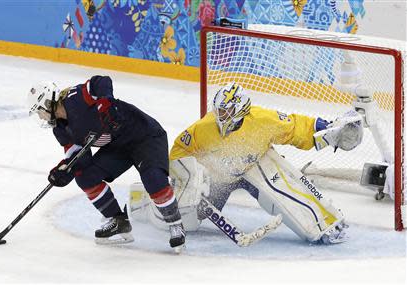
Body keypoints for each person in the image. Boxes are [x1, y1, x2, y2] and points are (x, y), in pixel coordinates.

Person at [130, 82, 363, 245]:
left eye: (227, 110)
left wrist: (326, 128)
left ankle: (326, 224)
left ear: (241, 108)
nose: (221, 115)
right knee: (189, 220)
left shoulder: (262, 120)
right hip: (217, 178)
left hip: (254, 166)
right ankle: (142, 201)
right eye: (219, 110)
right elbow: (179, 152)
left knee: (286, 193)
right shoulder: (203, 128)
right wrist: (193, 178)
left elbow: (295, 127)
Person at [27, 75, 185, 251]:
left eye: (40, 110)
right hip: (118, 146)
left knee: (153, 179)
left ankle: (175, 224)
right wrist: (64, 170)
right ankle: (118, 222)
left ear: (49, 102)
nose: (41, 117)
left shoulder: (76, 98)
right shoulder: (61, 130)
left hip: (145, 136)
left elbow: (101, 81)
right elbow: (80, 158)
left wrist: (106, 102)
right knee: (85, 177)